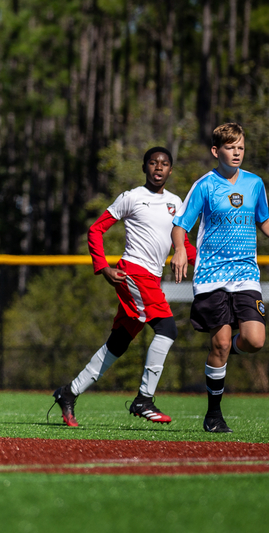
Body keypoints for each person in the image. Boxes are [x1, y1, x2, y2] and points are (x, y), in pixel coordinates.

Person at [50, 147, 196, 427]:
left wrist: (202, 262)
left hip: (152, 278)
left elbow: (184, 244)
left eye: (164, 164)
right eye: (153, 163)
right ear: (144, 167)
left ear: (170, 170)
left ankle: (69, 392)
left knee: (118, 342)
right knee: (168, 328)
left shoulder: (177, 202)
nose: (158, 167)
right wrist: (103, 267)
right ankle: (144, 399)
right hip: (133, 273)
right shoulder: (132, 197)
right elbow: (96, 229)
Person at [171, 122, 269, 434]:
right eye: (230, 147)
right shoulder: (205, 185)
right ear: (217, 151)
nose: (236, 152)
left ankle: (227, 353)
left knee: (255, 340)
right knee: (221, 342)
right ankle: (214, 414)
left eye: (240, 147)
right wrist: (179, 250)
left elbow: (265, 221)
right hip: (211, 277)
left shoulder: (255, 184)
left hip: (246, 275)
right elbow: (180, 224)